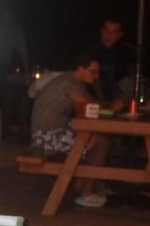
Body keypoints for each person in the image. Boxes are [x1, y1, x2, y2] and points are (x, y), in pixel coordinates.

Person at [30, 50, 122, 208]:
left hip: (52, 132)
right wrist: (114, 107)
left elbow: (90, 109)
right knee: (101, 141)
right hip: (46, 137)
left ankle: (88, 183)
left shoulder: (72, 81)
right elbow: (92, 108)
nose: (96, 76)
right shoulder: (70, 83)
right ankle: (86, 192)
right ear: (81, 69)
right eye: (93, 72)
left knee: (95, 138)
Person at [91, 19, 134, 103]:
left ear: (120, 35)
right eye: (106, 30)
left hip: (116, 102)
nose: (108, 35)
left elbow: (129, 79)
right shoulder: (91, 52)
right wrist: (102, 101)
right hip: (94, 101)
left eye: (113, 32)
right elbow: (93, 80)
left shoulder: (124, 54)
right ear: (102, 31)